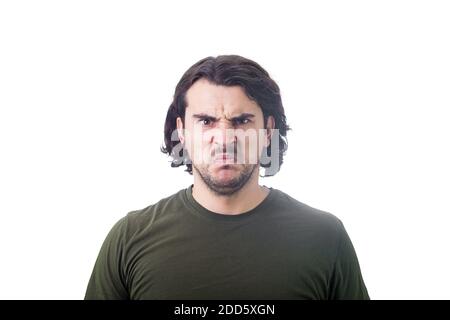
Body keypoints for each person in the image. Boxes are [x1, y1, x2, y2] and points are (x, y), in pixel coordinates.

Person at [85, 55, 370, 300]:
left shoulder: (325, 237)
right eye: (206, 121)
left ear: (268, 130)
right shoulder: (129, 238)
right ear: (181, 130)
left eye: (242, 121)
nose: (224, 139)